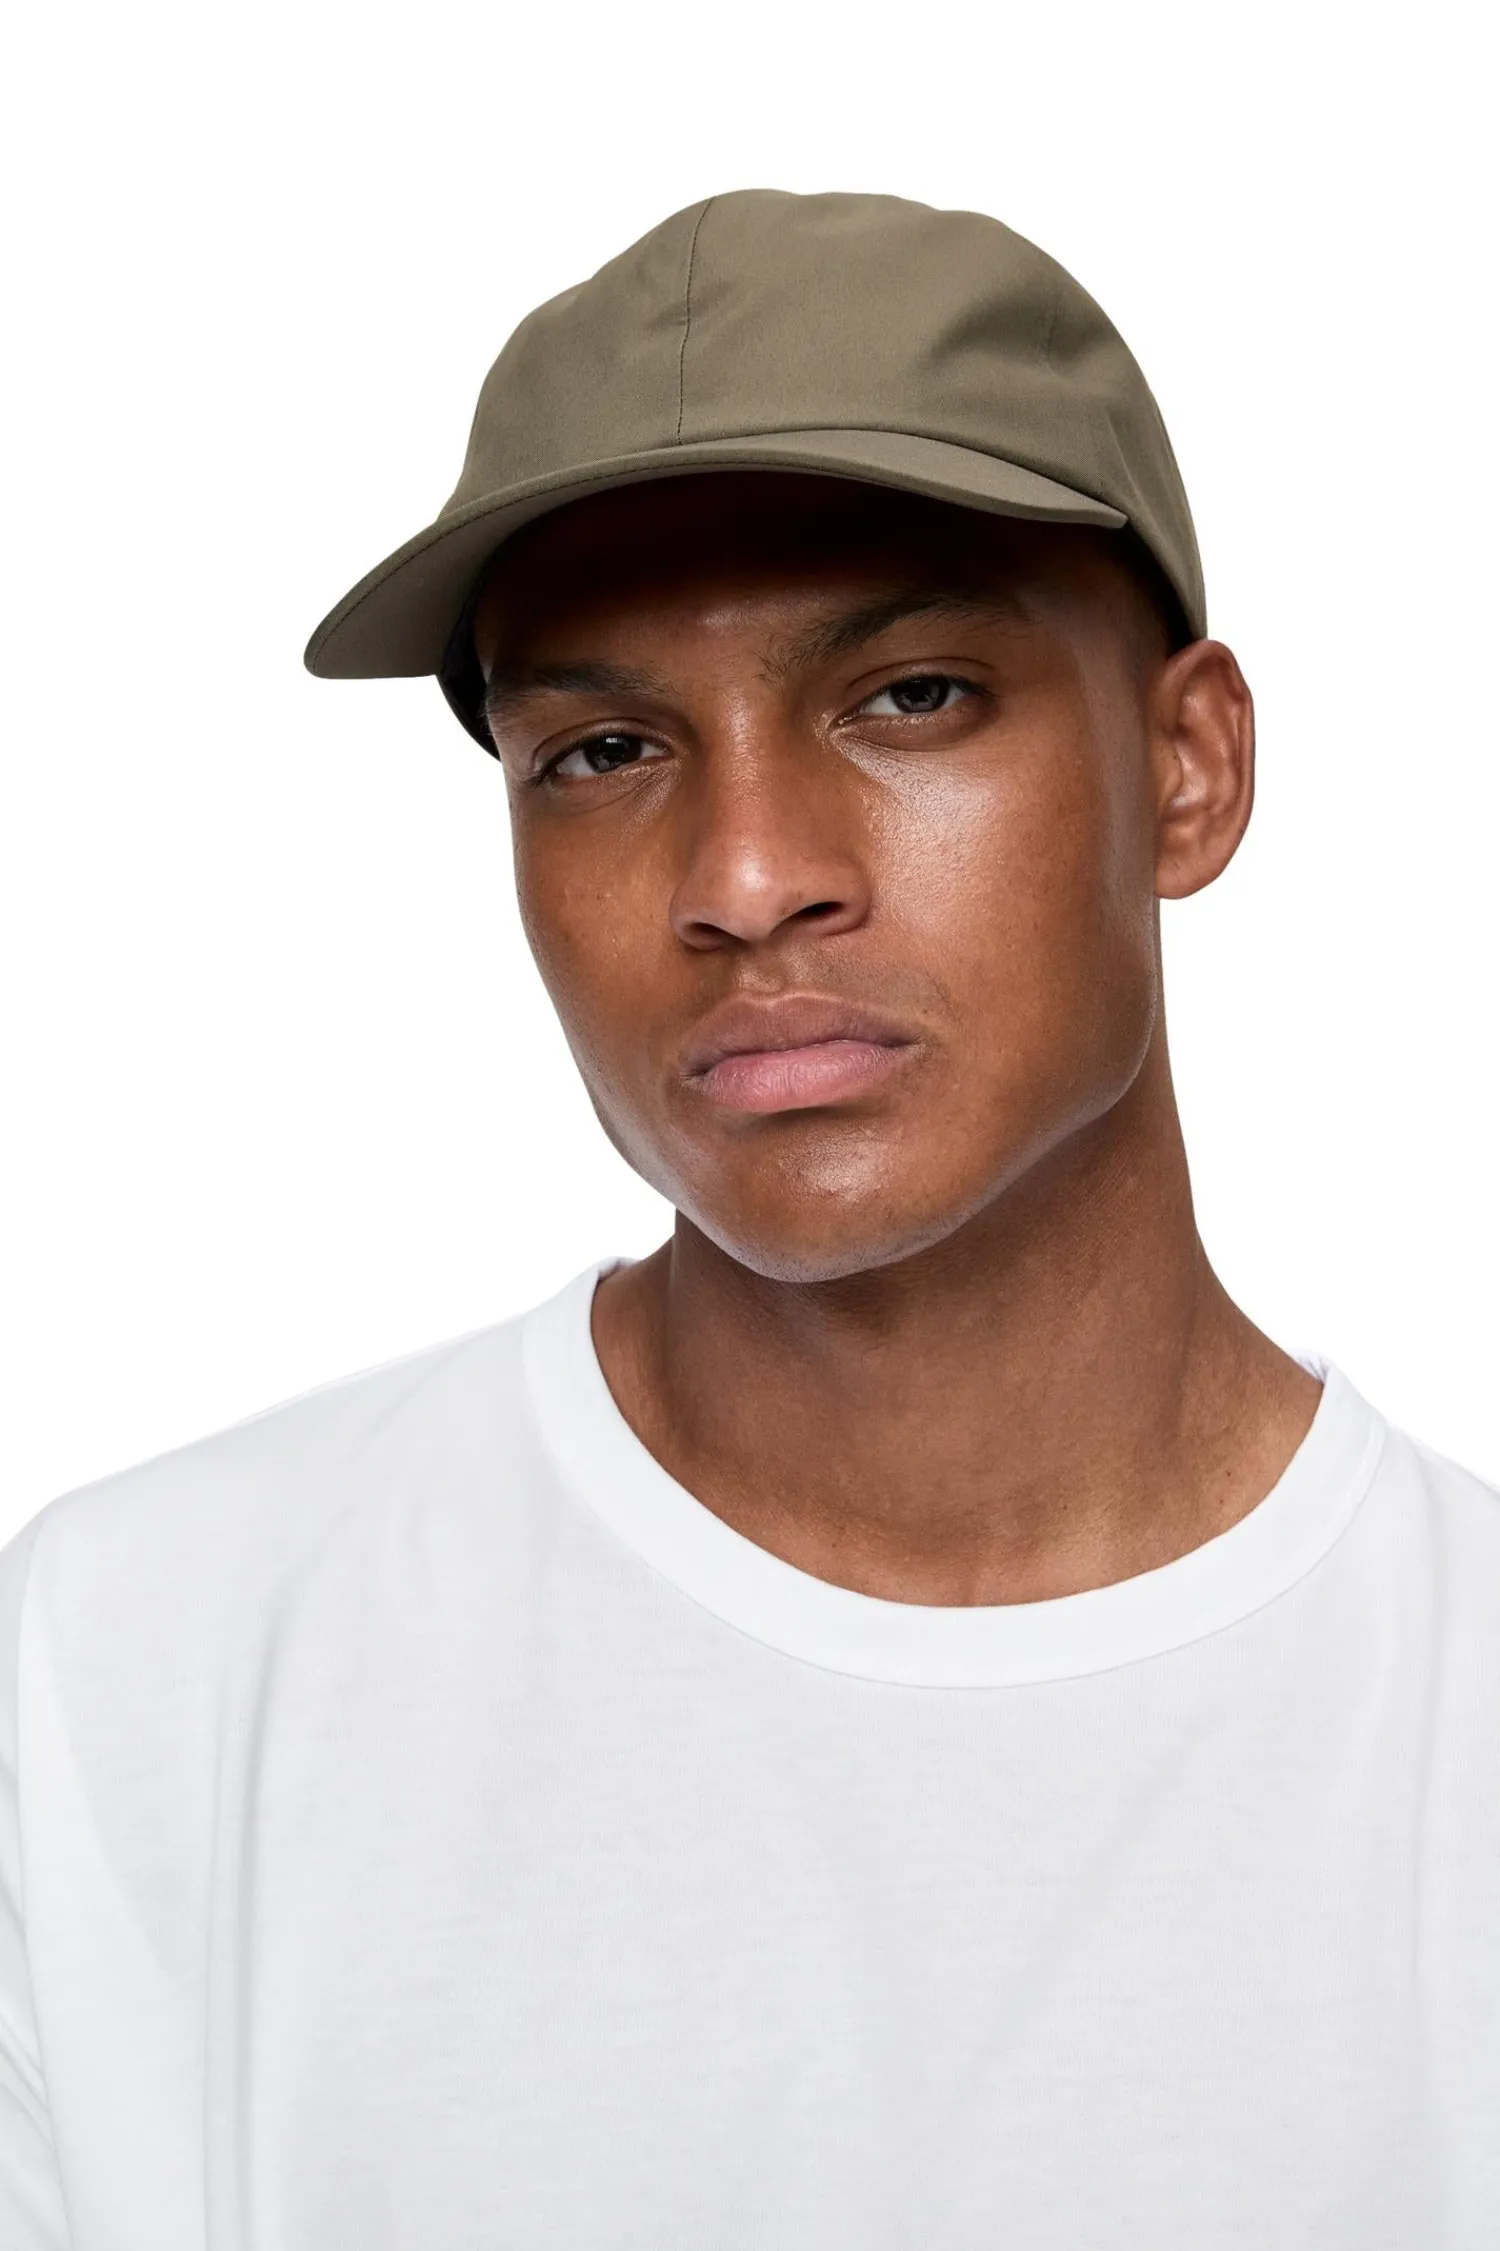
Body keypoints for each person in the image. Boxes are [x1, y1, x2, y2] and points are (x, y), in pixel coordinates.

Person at [2, 190, 1495, 2250]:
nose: (746, 874)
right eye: (605, 749)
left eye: (911, 697)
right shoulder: (135, 1676)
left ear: (1188, 768)